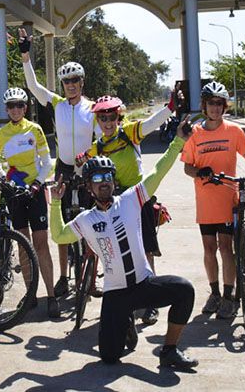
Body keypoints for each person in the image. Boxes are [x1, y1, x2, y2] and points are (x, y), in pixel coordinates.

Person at [49, 130, 200, 370]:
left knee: (185, 291)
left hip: (143, 285)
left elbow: (158, 171)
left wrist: (178, 141)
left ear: (114, 180)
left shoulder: (131, 199)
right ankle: (126, 320)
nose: (104, 181)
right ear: (89, 188)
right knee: (110, 357)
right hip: (116, 294)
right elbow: (58, 235)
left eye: (107, 175)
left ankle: (169, 350)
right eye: (97, 178)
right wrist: (56, 202)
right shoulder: (87, 219)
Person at [181, 81, 245, 320]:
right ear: (205, 106)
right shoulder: (195, 134)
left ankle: (229, 295)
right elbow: (188, 168)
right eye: (211, 103)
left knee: (226, 247)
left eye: (219, 104)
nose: (215, 108)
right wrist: (199, 172)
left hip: (227, 199)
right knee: (209, 248)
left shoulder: (234, 131)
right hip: (205, 200)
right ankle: (213, 293)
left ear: (224, 107)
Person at [18, 28, 100, 297]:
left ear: (82, 82)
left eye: (75, 80)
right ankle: (64, 277)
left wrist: (89, 156)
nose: (71, 85)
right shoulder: (56, 104)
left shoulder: (93, 109)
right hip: (64, 169)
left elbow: (102, 140)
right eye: (67, 81)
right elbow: (33, 87)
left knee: (92, 224)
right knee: (63, 225)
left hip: (88, 169)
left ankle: (91, 280)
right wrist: (26, 55)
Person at [76, 94, 166, 325]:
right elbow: (85, 161)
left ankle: (151, 303)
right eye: (103, 118)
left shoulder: (129, 133)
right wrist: (79, 161)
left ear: (119, 117)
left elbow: (151, 124)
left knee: (145, 248)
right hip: (113, 198)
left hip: (137, 197)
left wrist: (171, 108)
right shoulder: (99, 146)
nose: (107, 122)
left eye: (112, 117)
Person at [0, 86, 60, 318]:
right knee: (23, 243)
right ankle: (30, 295)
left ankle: (50, 296)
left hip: (35, 191)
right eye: (11, 106)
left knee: (41, 244)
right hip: (15, 192)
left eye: (20, 105)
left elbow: (47, 161)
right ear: (7, 110)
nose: (16, 110)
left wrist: (38, 182)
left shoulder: (34, 129)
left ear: (25, 108)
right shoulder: (3, 133)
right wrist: (2, 177)